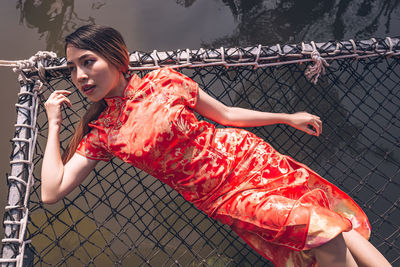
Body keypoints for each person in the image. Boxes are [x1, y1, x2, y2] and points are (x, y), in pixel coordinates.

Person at [41, 24, 391, 267]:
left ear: (117, 58)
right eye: (73, 68)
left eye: (88, 61)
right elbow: (51, 191)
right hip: (227, 197)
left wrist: (285, 117)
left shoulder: (166, 79)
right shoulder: (103, 133)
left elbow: (225, 114)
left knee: (335, 226)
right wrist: (55, 124)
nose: (80, 76)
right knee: (323, 233)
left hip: (253, 159)